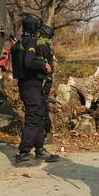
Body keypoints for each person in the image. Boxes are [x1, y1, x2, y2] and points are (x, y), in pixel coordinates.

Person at [14, 14, 60, 164]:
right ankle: (23, 152)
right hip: (30, 85)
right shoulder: (31, 42)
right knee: (33, 117)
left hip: (31, 85)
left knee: (40, 114)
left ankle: (40, 149)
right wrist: (43, 65)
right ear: (35, 28)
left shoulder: (24, 41)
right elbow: (28, 62)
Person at [37, 24, 55, 144]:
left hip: (44, 81)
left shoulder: (43, 47)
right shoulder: (46, 45)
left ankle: (48, 133)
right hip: (46, 80)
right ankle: (44, 133)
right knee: (41, 106)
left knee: (42, 106)